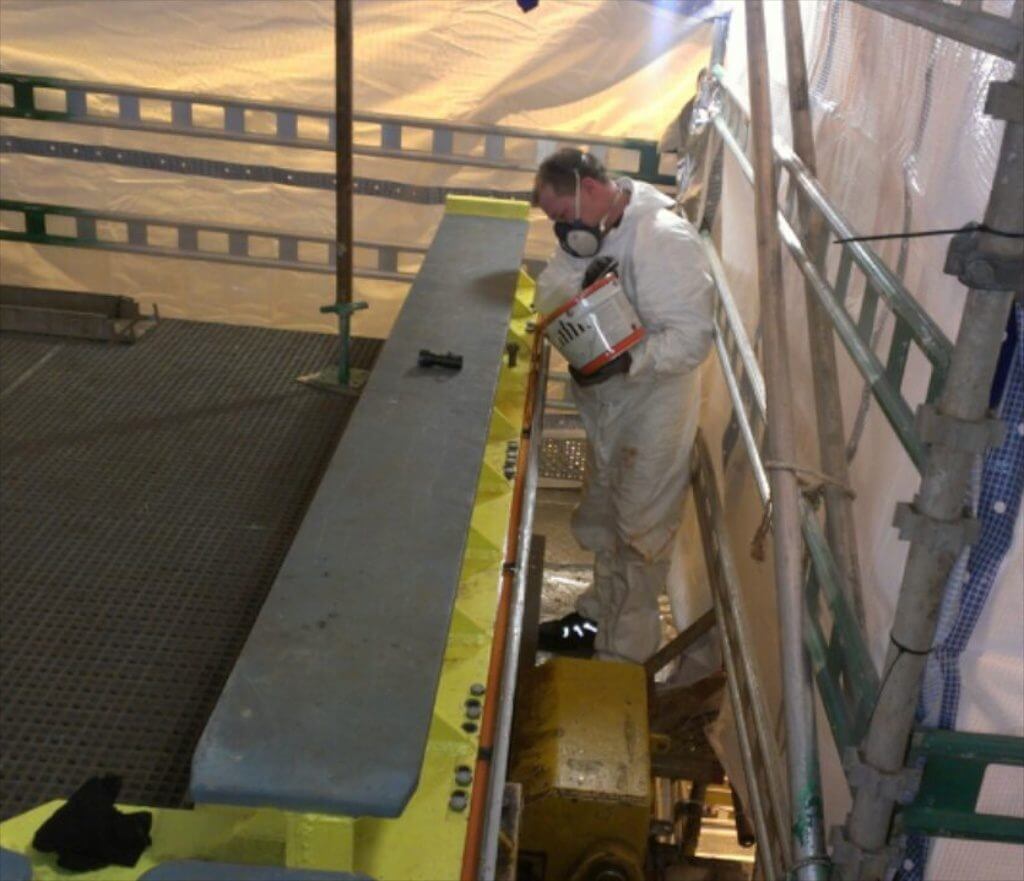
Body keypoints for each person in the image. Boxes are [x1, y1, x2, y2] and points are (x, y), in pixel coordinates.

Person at [533, 147, 714, 663]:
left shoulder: (662, 240)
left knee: (639, 534)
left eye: (564, 216)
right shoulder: (589, 236)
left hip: (652, 410)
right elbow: (550, 292)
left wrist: (629, 360)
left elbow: (691, 340)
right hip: (610, 410)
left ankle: (621, 657)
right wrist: (582, 285)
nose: (564, 229)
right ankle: (592, 621)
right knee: (605, 518)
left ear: (588, 188)